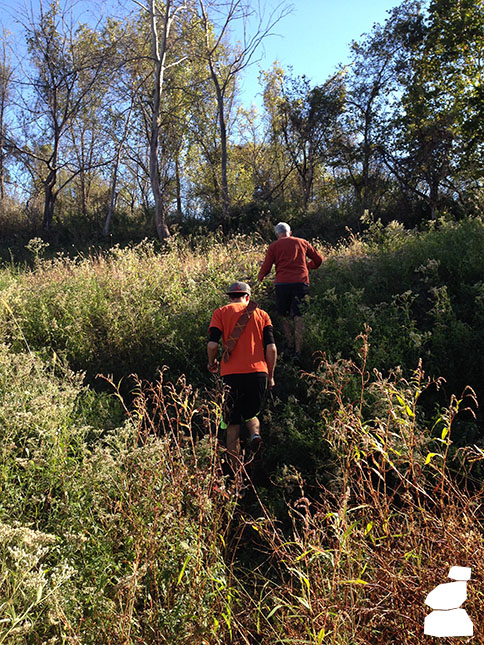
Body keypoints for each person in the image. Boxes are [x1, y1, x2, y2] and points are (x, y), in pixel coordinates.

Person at [207, 281, 277, 472]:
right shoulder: (262, 314)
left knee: (232, 422)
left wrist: (212, 362)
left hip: (231, 374)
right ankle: (255, 437)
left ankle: (235, 470)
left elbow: (213, 345)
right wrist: (270, 375)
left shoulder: (220, 312)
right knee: (252, 413)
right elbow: (271, 348)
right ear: (248, 297)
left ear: (230, 297)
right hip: (258, 373)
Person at [258, 222, 323, 361]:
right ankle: (298, 352)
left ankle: (289, 345)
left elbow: (267, 268)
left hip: (282, 284)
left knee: (284, 315)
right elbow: (319, 259)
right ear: (290, 232)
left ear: (277, 234)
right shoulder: (302, 242)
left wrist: (260, 278)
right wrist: (309, 266)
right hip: (301, 283)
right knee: (299, 316)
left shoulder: (274, 246)